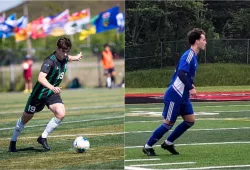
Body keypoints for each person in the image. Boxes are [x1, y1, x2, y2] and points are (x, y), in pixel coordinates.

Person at [9, 37, 83, 152]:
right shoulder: (50, 61)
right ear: (57, 49)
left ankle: (43, 137)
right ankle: (13, 141)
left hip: (52, 93)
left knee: (61, 113)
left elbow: (69, 58)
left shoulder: (64, 57)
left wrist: (76, 57)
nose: (65, 54)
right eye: (63, 51)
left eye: (67, 51)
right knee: (26, 117)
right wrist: (52, 87)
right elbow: (40, 78)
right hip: (39, 94)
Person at [142, 28, 207, 156]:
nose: (206, 42)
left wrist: (189, 84)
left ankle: (168, 143)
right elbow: (181, 73)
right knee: (168, 124)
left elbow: (184, 75)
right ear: (197, 41)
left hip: (183, 97)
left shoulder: (193, 56)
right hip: (175, 95)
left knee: (190, 120)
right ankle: (147, 146)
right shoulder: (188, 55)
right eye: (204, 39)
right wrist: (190, 87)